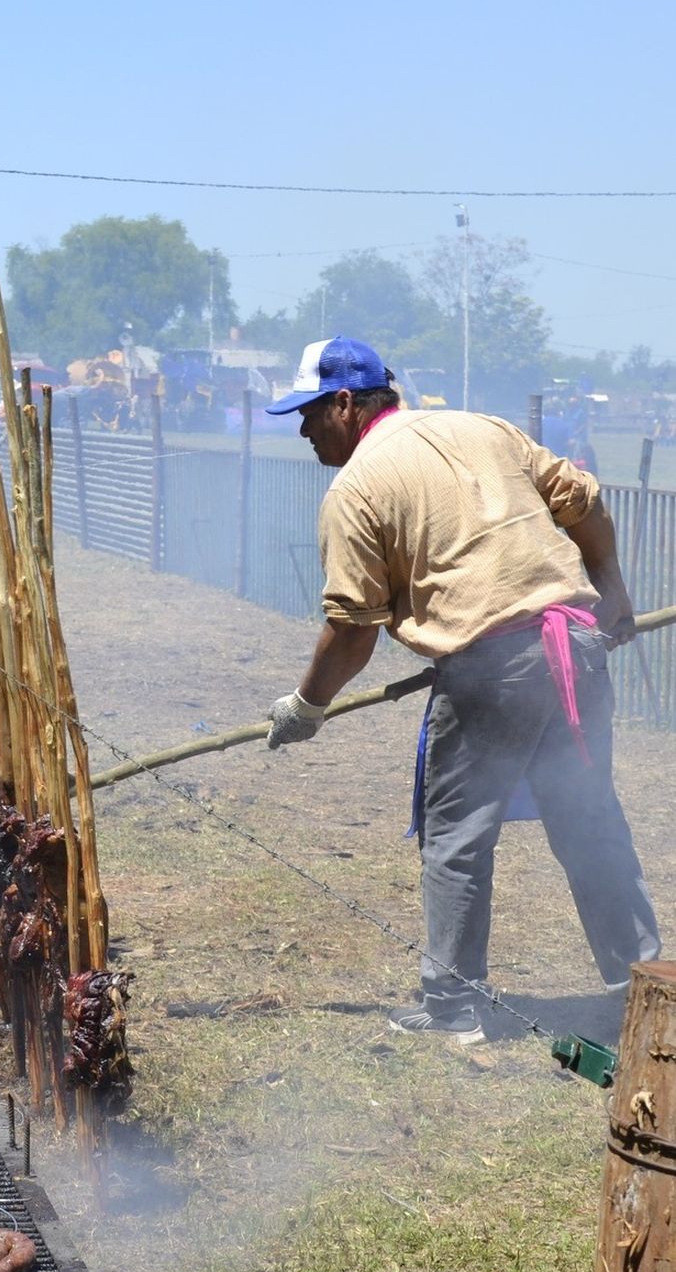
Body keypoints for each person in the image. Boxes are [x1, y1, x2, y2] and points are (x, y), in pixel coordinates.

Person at [263, 336, 660, 1045]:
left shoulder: (357, 488)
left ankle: (452, 1009)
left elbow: (352, 630)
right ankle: (651, 990)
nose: (303, 428)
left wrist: (306, 706)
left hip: (492, 673)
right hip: (575, 647)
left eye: (311, 412)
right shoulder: (483, 427)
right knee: (589, 821)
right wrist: (614, 596)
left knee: (457, 839)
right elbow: (586, 504)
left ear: (347, 404)